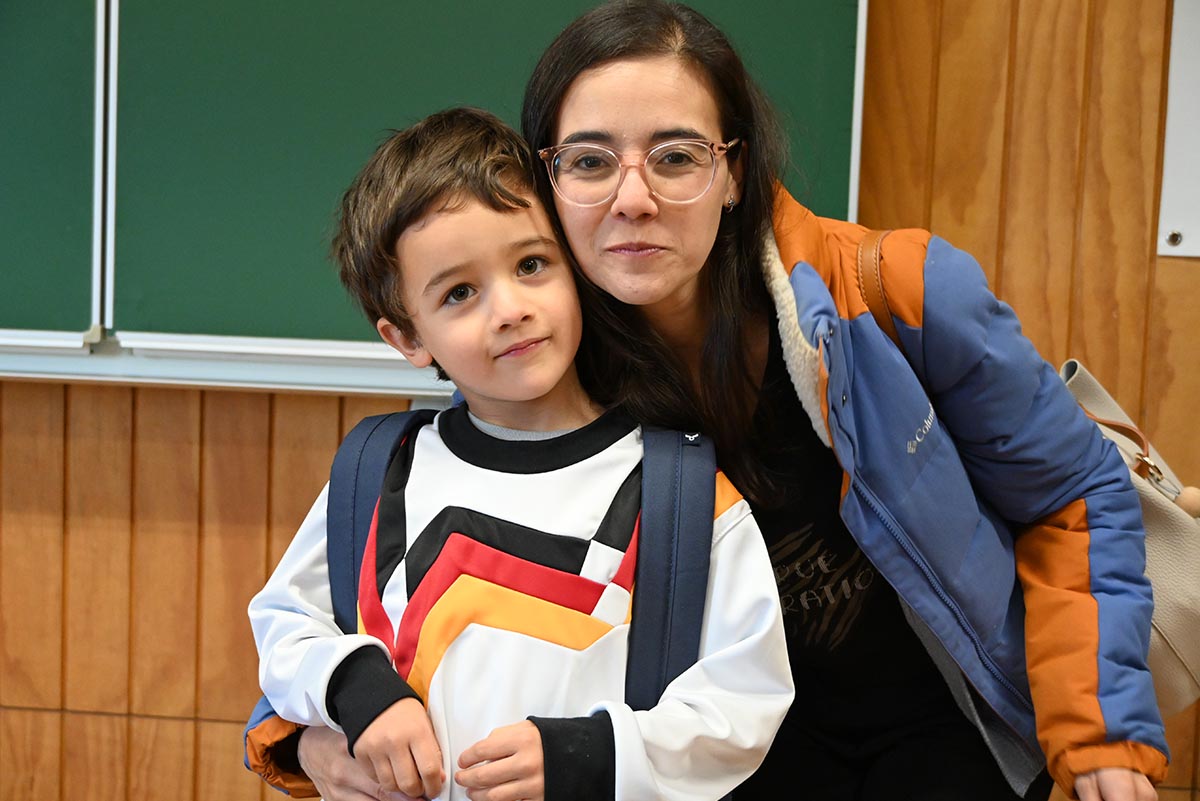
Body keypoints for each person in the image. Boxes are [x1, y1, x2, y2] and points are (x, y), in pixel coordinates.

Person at [245, 106, 793, 801]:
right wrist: (355, 688)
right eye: (459, 293)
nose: (509, 309)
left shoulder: (683, 494)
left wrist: (589, 755)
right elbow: (285, 621)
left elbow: (747, 698)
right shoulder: (376, 471)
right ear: (408, 338)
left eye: (532, 264)